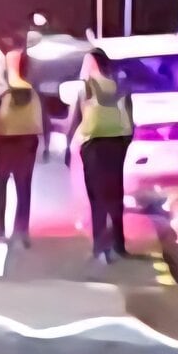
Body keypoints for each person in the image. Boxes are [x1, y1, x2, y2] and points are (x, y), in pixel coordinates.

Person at [66, 49, 134, 264]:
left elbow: (75, 119)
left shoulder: (86, 87)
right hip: (117, 142)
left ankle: (100, 246)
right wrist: (125, 142)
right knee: (115, 194)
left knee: (97, 196)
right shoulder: (121, 86)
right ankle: (119, 244)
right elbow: (131, 119)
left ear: (92, 64)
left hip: (94, 144)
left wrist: (69, 145)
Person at [0, 50, 44, 247]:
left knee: (1, 186)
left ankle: (0, 229)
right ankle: (21, 231)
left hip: (4, 144)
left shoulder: (1, 93)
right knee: (23, 188)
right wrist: (41, 145)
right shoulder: (32, 94)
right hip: (26, 143)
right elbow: (40, 123)